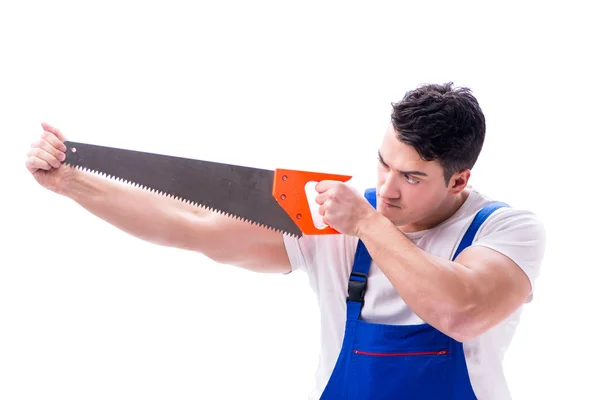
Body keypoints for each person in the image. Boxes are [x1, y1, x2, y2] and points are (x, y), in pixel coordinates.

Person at [25, 82, 546, 399]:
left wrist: (366, 225)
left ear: (459, 180)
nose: (386, 189)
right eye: (383, 163)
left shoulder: (507, 231)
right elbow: (191, 226)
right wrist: (72, 181)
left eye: (411, 178)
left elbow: (462, 312)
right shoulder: (331, 223)